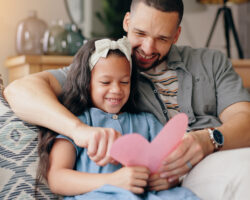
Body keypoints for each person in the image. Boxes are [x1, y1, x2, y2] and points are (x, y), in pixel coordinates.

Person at [4, 0, 250, 199]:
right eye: (140, 33)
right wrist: (79, 131)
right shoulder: (104, 65)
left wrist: (208, 140)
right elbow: (19, 91)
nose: (147, 47)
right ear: (127, 21)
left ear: (177, 35)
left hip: (211, 159)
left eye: (162, 38)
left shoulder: (211, 62)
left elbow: (245, 121)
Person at [37, 37, 199, 199]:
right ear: (87, 83)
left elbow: (171, 161)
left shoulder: (147, 121)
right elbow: (57, 178)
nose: (116, 90)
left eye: (124, 82)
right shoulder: (79, 122)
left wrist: (168, 179)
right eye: (105, 82)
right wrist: (112, 180)